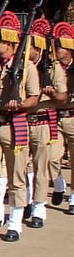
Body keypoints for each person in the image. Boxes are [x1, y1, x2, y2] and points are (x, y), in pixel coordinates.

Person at [0, 11, 39, 243]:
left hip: (14, 125)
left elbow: (34, 98)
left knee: (17, 177)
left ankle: (15, 222)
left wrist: (20, 105)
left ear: (11, 44)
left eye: (1, 42)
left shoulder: (27, 68)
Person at [24, 18, 67, 229]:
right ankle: (26, 201)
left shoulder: (53, 67)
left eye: (29, 46)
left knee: (42, 167)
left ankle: (39, 208)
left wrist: (49, 92)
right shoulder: (21, 67)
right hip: (23, 121)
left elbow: (62, 96)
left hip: (42, 121)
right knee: (22, 167)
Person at [52, 22, 74, 214]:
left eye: (58, 48)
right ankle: (59, 184)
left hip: (73, 116)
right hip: (55, 116)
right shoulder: (52, 68)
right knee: (51, 157)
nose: (55, 51)